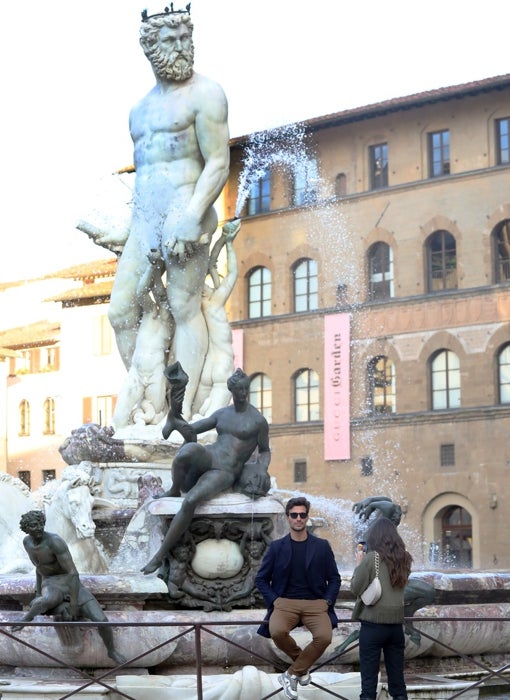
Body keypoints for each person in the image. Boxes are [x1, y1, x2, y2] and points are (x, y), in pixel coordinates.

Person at [107, 6, 230, 420]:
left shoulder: (206, 94)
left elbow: (218, 162)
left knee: (183, 305)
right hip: (146, 224)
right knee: (121, 310)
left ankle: (184, 409)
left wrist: (192, 214)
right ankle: (152, 403)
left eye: (185, 39)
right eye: (170, 40)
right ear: (149, 48)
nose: (181, 48)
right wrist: (126, 229)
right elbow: (147, 180)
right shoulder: (137, 112)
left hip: (186, 214)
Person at [141, 368, 271, 575]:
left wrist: (261, 468)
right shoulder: (222, 414)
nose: (243, 393)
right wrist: (175, 417)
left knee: (191, 500)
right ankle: (174, 489)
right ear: (231, 390)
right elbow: (193, 430)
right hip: (211, 455)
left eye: (246, 388)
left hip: (226, 470)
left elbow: (264, 450)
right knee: (187, 450)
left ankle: (160, 555)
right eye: (239, 389)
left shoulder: (257, 420)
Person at [11, 510, 126, 665]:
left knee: (102, 620)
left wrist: (72, 605)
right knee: (46, 600)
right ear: (26, 528)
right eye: (33, 525)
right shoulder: (27, 543)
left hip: (70, 581)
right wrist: (38, 592)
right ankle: (26, 619)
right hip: (52, 583)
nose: (38, 527)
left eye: (40, 524)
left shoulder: (54, 541)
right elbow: (39, 568)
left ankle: (111, 651)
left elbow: (73, 573)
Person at [255, 497, 341, 700]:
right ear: (288, 518)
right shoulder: (277, 547)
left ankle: (292, 673)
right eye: (294, 515)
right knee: (277, 631)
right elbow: (261, 579)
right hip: (284, 602)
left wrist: (327, 601)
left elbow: (335, 579)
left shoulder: (321, 546)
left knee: (324, 637)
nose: (298, 518)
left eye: (302, 515)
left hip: (316, 604)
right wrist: (274, 600)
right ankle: (302, 667)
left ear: (307, 517)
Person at [350, 517, 413, 700]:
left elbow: (356, 587)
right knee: (398, 685)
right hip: (395, 628)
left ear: (374, 537)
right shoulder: (405, 559)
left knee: (368, 685)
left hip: (373, 626)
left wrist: (359, 564)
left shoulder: (371, 558)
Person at [192, 218, 241, 417]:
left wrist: (222, 241)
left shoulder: (199, 307)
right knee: (212, 423)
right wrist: (229, 243)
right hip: (222, 362)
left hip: (206, 366)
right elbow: (232, 274)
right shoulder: (215, 302)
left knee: (197, 417)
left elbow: (211, 264)